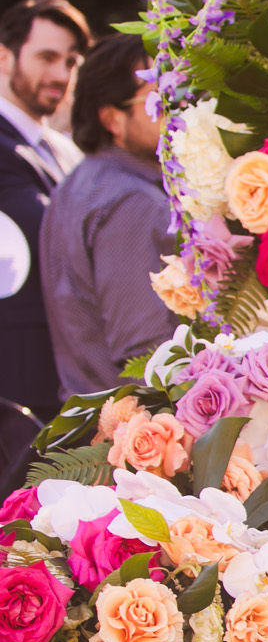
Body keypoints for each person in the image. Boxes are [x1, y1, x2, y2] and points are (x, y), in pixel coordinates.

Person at [38, 33, 177, 398]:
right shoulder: (132, 202)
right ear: (112, 119)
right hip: (137, 432)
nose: (177, 108)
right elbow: (147, 357)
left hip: (98, 429)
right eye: (158, 99)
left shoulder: (78, 186)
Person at [0, 0, 88, 461]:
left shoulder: (60, 149)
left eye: (71, 61)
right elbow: (53, 234)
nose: (60, 75)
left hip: (56, 378)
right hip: (15, 381)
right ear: (4, 56)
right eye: (47, 57)